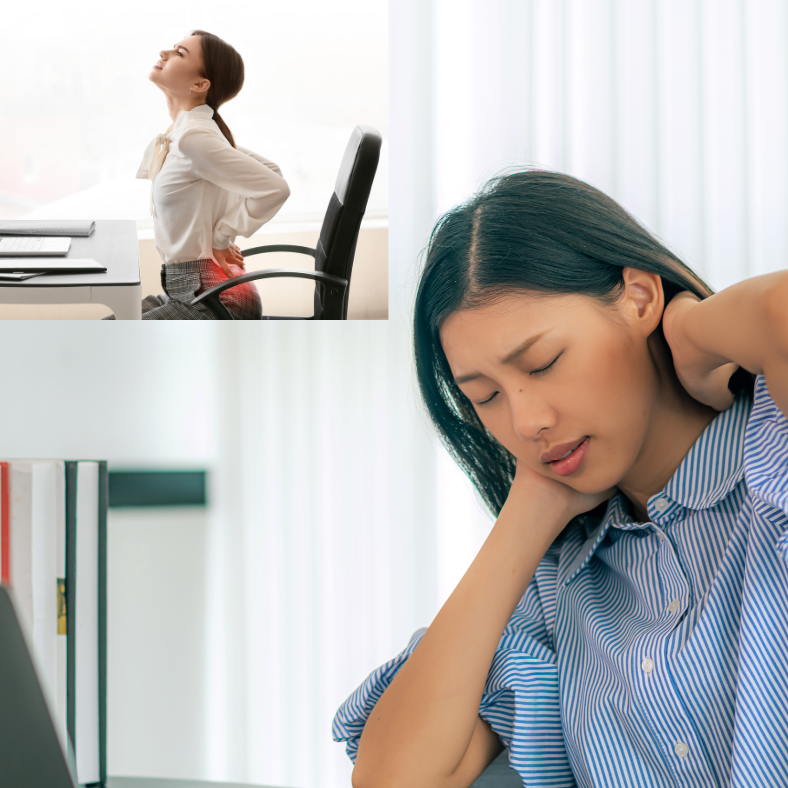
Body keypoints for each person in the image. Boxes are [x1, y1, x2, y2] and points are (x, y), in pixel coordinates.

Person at [332, 170, 788, 787]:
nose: (527, 421)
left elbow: (777, 313)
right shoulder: (559, 591)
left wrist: (689, 329)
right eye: (487, 396)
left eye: (544, 364)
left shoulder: (773, 450)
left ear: (639, 298)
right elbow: (393, 781)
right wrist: (528, 515)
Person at [108, 30, 290, 319]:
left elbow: (275, 187)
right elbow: (271, 171)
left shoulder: (193, 136)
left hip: (216, 300)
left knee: (91, 345)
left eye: (180, 53)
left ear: (200, 83)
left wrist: (221, 238)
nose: (164, 53)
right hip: (195, 290)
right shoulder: (190, 130)